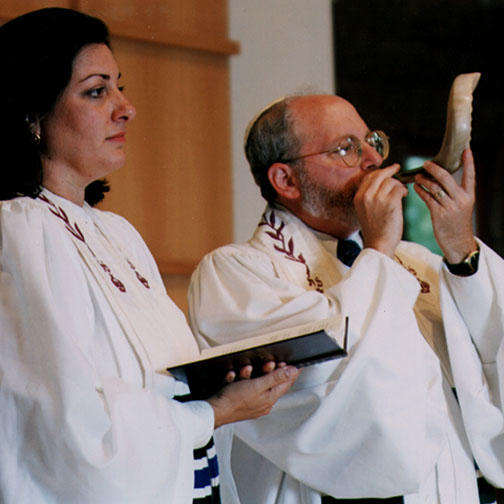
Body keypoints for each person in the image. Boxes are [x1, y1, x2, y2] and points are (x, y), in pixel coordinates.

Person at [0, 8, 300, 504]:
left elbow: (152, 380)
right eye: (97, 91)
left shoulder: (116, 232)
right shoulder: (19, 232)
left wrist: (220, 380)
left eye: (120, 86)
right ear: (33, 115)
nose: (126, 108)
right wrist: (215, 413)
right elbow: (64, 428)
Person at [188, 94, 504, 503]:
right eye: (347, 148)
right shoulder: (237, 272)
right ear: (286, 180)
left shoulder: (414, 262)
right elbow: (326, 391)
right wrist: (378, 252)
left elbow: (488, 361)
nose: (373, 159)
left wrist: (463, 253)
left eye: (372, 141)